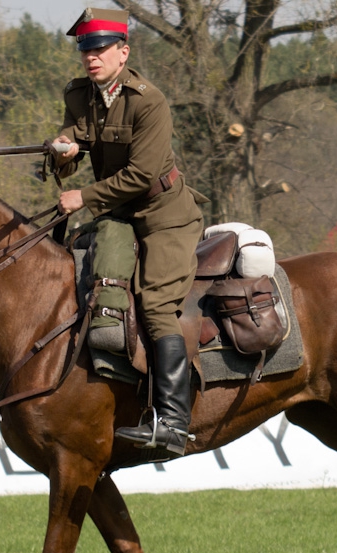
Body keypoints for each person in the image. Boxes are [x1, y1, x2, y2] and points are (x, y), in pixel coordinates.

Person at [51, 8, 205, 460]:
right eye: (85, 49)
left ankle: (173, 423)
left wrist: (84, 196)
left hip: (164, 213)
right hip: (117, 213)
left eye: (100, 49)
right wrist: (62, 151)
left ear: (124, 52)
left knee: (156, 306)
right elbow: (72, 138)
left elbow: (141, 174)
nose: (91, 57)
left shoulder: (148, 101)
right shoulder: (80, 94)